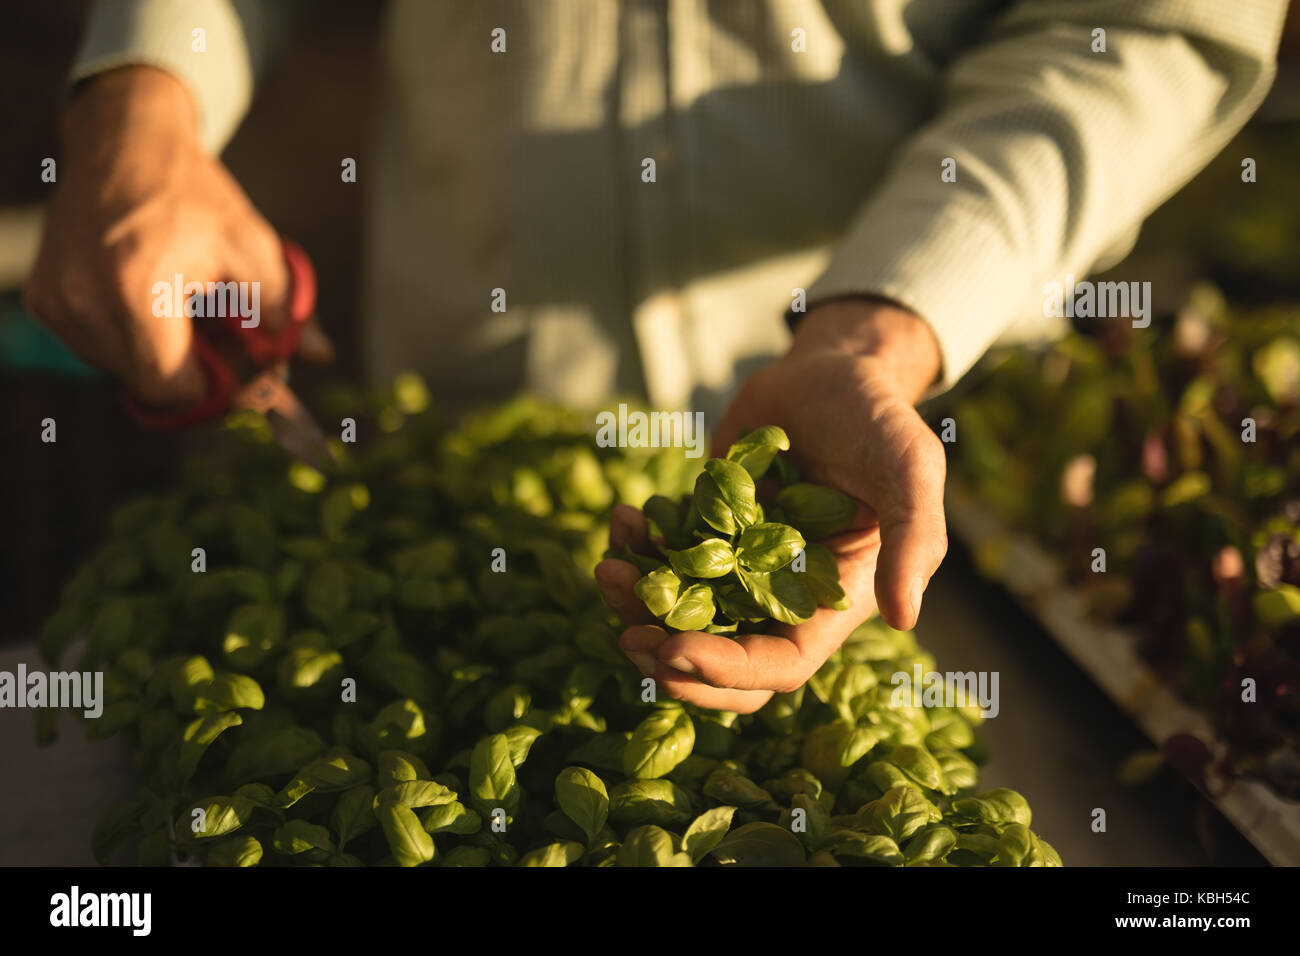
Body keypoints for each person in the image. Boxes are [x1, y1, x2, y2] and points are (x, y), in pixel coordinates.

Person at [24, 1, 1287, 712]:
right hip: (456, 432)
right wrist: (142, 95)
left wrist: (883, 322)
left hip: (891, 462)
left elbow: (1145, 26)